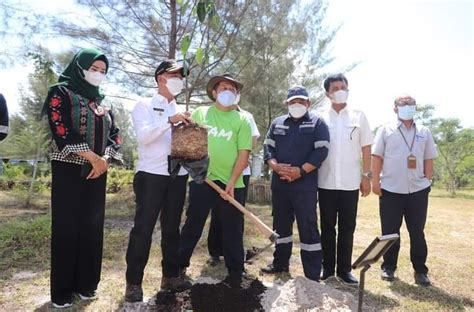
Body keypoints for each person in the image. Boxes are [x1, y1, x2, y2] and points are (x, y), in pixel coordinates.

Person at [43, 48, 122, 308]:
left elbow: (116, 135)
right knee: (67, 227)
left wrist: (105, 160)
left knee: (91, 228)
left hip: (97, 172)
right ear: (80, 67)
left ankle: (87, 284)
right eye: (93, 68)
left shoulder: (103, 102)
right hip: (68, 169)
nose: (97, 74)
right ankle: (62, 290)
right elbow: (61, 128)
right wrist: (93, 157)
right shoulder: (61, 92)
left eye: (102, 70)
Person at [124, 60, 192, 302]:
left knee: (172, 229)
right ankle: (133, 283)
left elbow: (185, 146)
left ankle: (171, 276)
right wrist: (169, 122)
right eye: (175, 75)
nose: (179, 80)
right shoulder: (144, 105)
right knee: (143, 229)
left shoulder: (181, 109)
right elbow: (144, 137)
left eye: (181, 77)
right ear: (161, 78)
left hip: (177, 176)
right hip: (151, 175)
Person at [178, 74, 252, 286]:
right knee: (193, 222)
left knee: (232, 227)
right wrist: (196, 168)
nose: (228, 91)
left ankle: (236, 272)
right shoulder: (202, 113)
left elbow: (243, 153)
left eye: (233, 89)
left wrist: (232, 181)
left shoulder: (242, 120)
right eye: (224, 87)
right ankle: (180, 267)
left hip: (231, 183)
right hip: (203, 179)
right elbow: (190, 143)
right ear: (214, 92)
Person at [260, 86, 329, 281]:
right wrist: (274, 166)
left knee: (308, 227)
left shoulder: (318, 123)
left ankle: (313, 272)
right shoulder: (277, 123)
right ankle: (280, 264)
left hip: (304, 186)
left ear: (308, 103)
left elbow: (321, 152)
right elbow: (268, 147)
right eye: (293, 102)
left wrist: (301, 171)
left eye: (301, 101)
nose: (297, 105)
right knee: (281, 226)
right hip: (280, 185)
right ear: (287, 103)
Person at [372, 94, 437, 286]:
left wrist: (428, 178)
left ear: (416, 107)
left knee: (417, 232)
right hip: (391, 189)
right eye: (403, 104)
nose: (407, 106)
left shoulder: (424, 131)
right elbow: (377, 157)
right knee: (390, 231)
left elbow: (429, 157)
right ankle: (389, 267)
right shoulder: (386, 130)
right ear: (395, 109)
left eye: (411, 104)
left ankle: (420, 271)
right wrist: (375, 181)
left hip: (418, 190)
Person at [317, 74, 374, 285]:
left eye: (343, 87)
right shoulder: (319, 117)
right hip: (325, 182)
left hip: (350, 183)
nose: (340, 90)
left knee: (348, 227)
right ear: (327, 93)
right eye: (335, 88)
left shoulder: (359, 116)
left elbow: (367, 147)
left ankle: (344, 270)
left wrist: (367, 176)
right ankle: (327, 268)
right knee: (327, 227)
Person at [206, 105, 260, 266]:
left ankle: (235, 257)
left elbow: (253, 142)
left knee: (235, 214)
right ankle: (215, 252)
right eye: (224, 89)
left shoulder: (246, 116)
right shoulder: (211, 114)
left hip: (240, 174)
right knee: (216, 213)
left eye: (233, 90)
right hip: (216, 174)